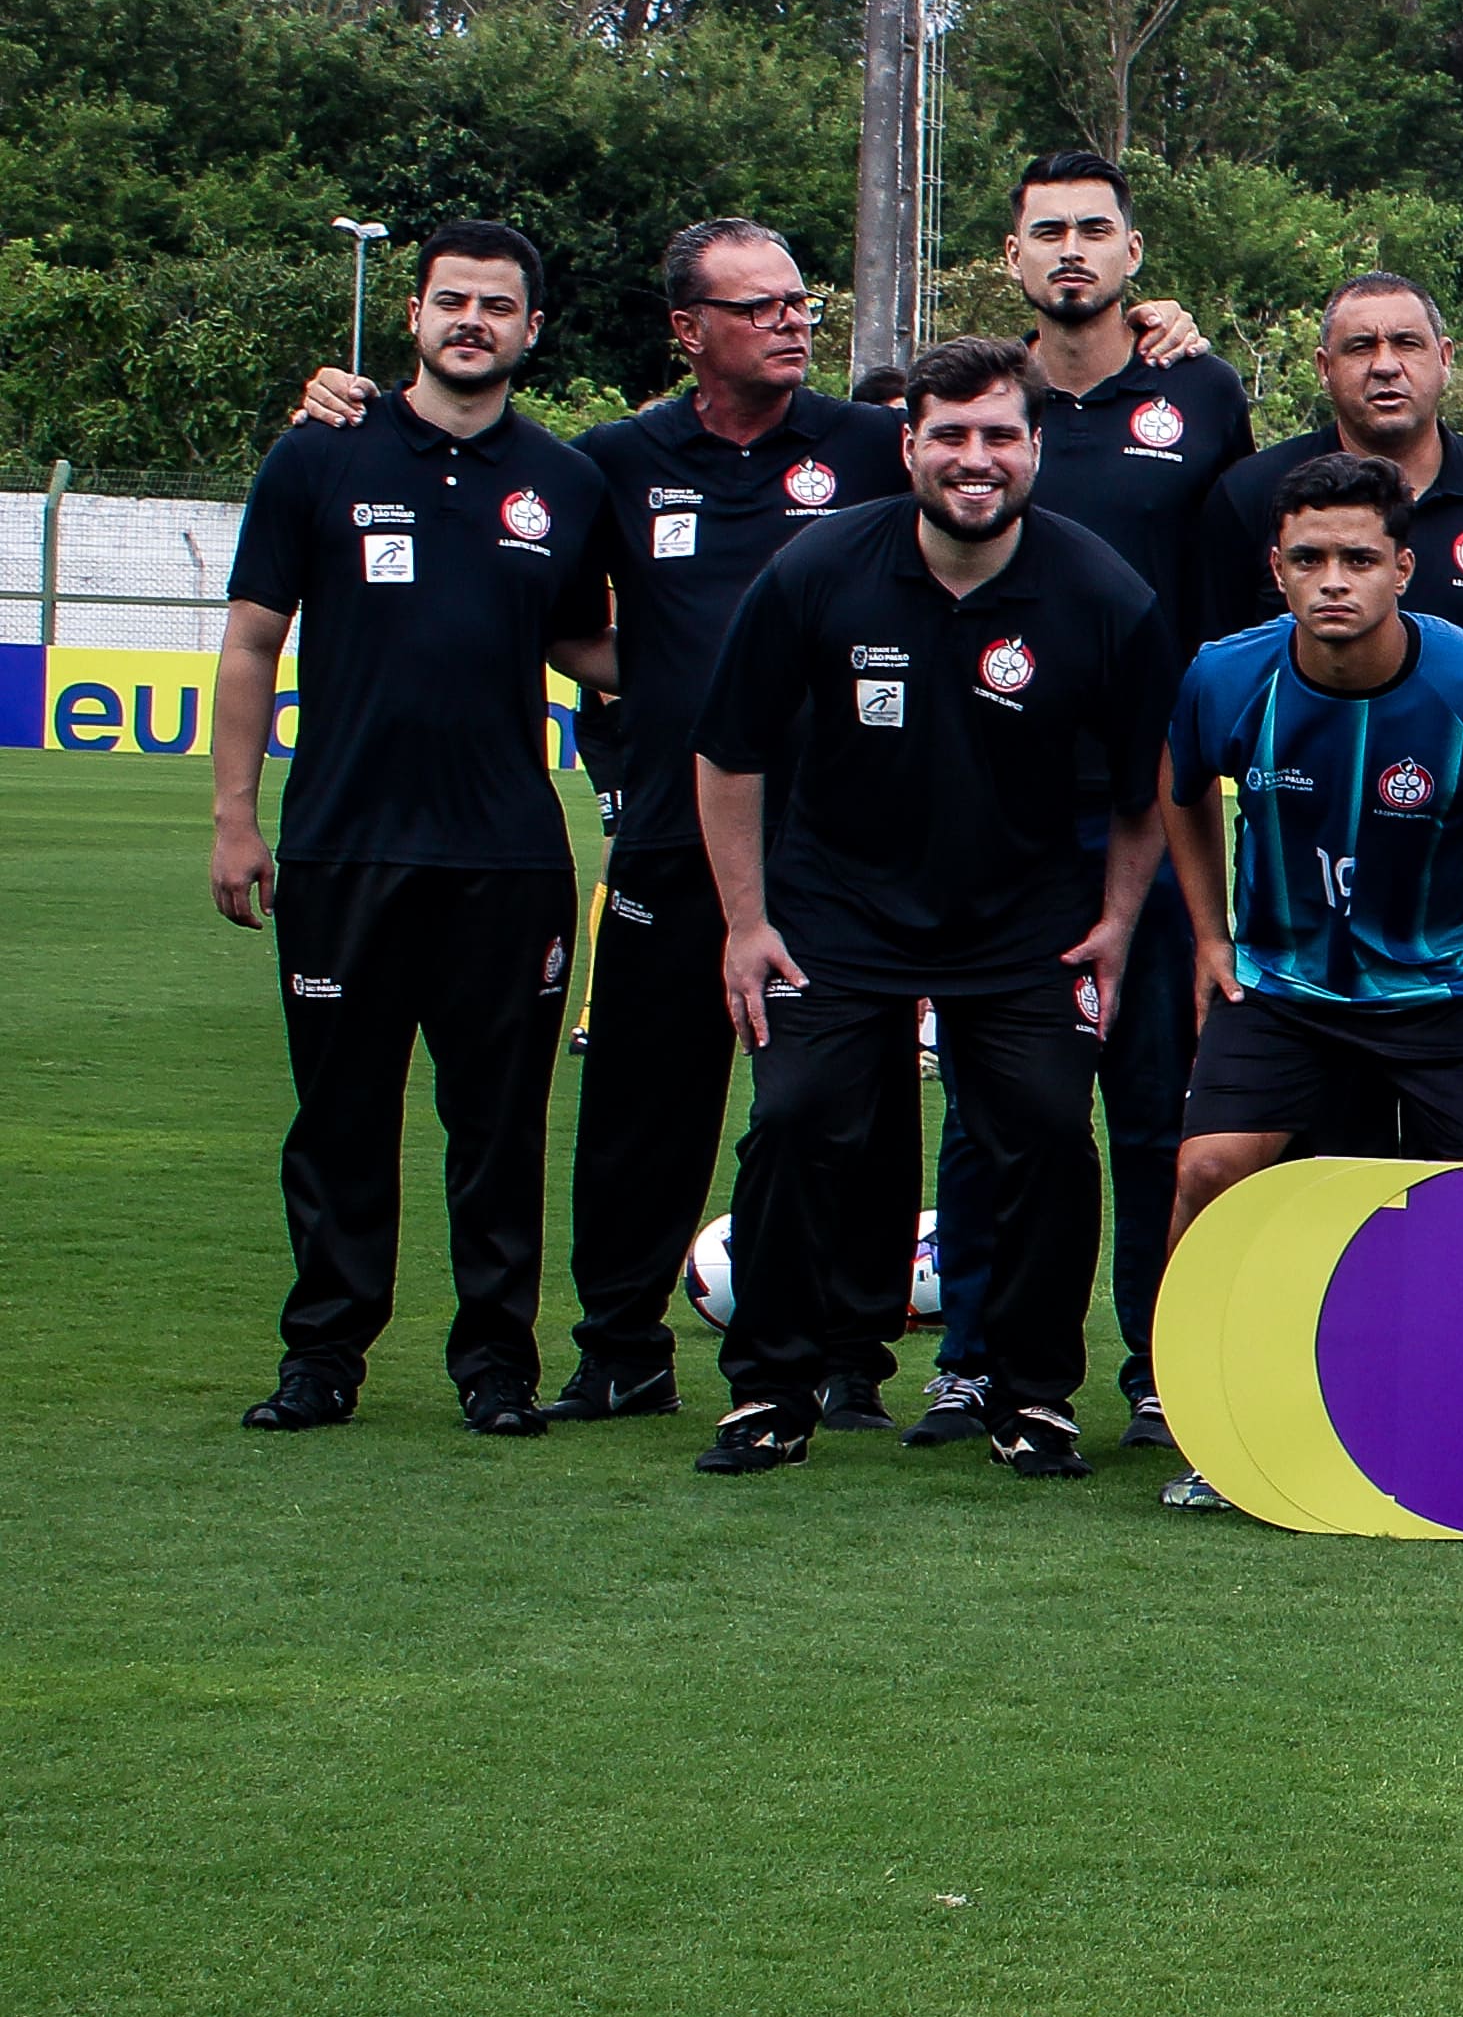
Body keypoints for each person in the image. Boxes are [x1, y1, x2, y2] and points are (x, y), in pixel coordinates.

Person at [289, 217, 905, 1425]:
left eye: (801, 305)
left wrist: (1155, 340)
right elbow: (553, 612)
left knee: (848, 1105)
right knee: (639, 1106)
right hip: (675, 833)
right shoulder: (610, 462)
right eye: (761, 306)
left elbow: (1005, 449)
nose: (792, 322)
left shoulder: (870, 448)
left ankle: (847, 1356)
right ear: (688, 329)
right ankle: (621, 1348)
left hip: (837, 840)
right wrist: (671, 672)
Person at [683, 335, 1183, 1480]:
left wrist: (1116, 919)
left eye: (999, 434)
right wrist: (747, 920)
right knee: (800, 1120)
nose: (975, 457)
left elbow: (1153, 778)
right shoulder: (817, 571)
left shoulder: (1102, 590)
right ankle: (771, 1385)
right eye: (949, 434)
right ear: (907, 445)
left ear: (1035, 449)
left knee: (1050, 1138)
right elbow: (728, 751)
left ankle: (1030, 1391)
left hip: (1026, 920)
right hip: (834, 911)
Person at [211, 221, 609, 1437]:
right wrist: (236, 815)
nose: (472, 321)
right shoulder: (317, 456)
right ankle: (323, 1356)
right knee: (340, 1119)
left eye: (498, 305)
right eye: (452, 300)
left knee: (496, 1129)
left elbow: (593, 646)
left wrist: (735, 633)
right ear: (415, 317)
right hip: (343, 846)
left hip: (507, 857)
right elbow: (248, 642)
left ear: (532, 330)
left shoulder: (567, 482)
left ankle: (496, 1364)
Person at [893, 151, 1253, 1452]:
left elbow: (1236, 591)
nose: (1071, 250)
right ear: (1012, 256)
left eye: (1094, 229)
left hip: (1154, 810)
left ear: (1135, 250)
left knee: (1159, 1099)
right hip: (1000, 815)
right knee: (993, 1101)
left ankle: (1161, 1362)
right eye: (1047, 231)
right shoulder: (977, 405)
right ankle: (972, 1360)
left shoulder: (1202, 392)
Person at [1153, 450, 1463, 1508]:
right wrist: (1211, 936)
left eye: (1356, 557)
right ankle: (1210, 1413)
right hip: (1289, 988)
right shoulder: (1225, 673)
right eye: (1309, 558)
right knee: (1211, 1168)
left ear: (1403, 566)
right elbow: (1180, 791)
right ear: (1278, 568)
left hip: (1454, 987)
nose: (1332, 579)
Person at [1198, 272, 1463, 677]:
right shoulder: (1250, 493)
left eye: (1406, 344)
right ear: (1324, 368)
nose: (1385, 366)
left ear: (1444, 359)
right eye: (1361, 347)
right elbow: (1217, 665)